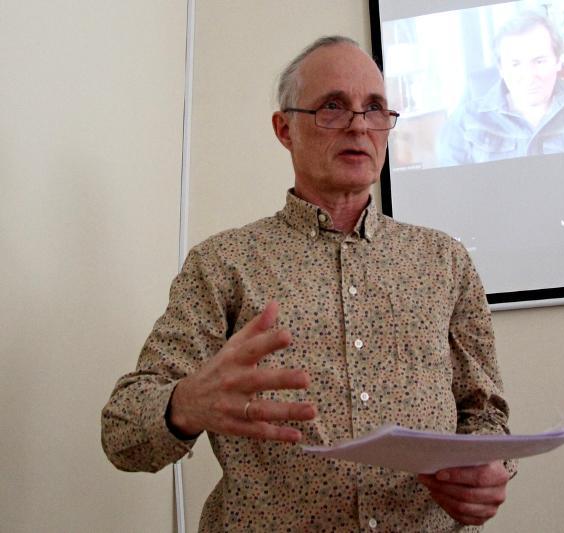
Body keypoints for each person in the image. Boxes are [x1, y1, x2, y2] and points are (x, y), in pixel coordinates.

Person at [101, 35, 514, 531]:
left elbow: (484, 412)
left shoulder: (444, 261)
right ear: (285, 129)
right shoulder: (223, 264)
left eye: (375, 108)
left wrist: (488, 468)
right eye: (333, 107)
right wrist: (184, 404)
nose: (359, 125)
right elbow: (122, 434)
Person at [438, 11, 564, 166]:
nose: (529, 75)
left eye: (539, 61)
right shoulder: (463, 121)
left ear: (558, 61)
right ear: (501, 69)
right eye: (515, 64)